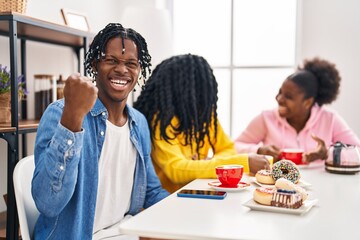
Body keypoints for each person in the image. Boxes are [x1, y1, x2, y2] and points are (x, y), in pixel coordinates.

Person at [31, 23, 169, 239]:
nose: (122, 70)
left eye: (131, 63)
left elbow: (151, 192)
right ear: (95, 64)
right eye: (111, 60)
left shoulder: (139, 123)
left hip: (124, 234)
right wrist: (72, 119)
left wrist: (188, 208)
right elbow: (48, 203)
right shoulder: (60, 113)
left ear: (139, 70)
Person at [133, 54, 270, 193]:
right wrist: (242, 163)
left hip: (198, 194)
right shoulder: (161, 121)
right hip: (167, 201)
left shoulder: (204, 116)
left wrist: (204, 164)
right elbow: (176, 169)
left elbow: (227, 148)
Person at [234, 57, 360, 163]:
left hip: (322, 185)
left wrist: (327, 153)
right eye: (280, 92)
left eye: (288, 97)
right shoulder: (266, 118)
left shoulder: (329, 119)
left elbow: (357, 152)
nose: (279, 99)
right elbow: (234, 146)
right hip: (278, 186)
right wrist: (258, 150)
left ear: (308, 102)